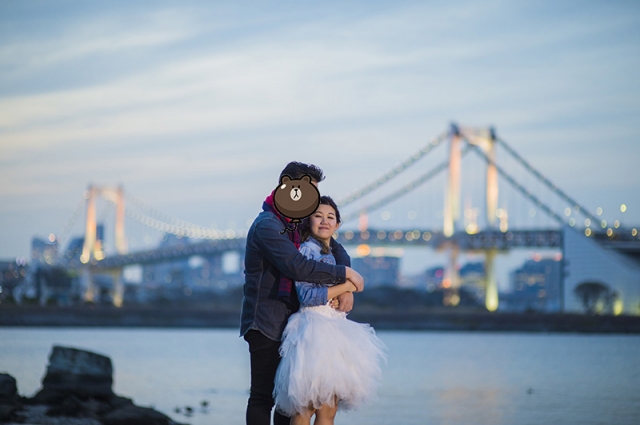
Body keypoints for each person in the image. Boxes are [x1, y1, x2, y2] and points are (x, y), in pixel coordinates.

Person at [240, 162, 364, 425]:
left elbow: (337, 249)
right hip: (265, 321)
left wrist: (347, 287)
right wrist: (345, 277)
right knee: (264, 397)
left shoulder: (298, 224)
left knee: (290, 399)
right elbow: (297, 266)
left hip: (294, 324)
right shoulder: (268, 225)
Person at [273, 196, 387, 425]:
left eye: (330, 217)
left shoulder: (334, 254)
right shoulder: (306, 251)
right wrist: (347, 285)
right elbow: (307, 296)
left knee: (329, 411)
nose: (324, 221)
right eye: (318, 216)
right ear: (308, 222)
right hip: (313, 332)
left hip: (336, 332)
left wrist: (346, 288)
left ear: (337, 225)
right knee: (305, 409)